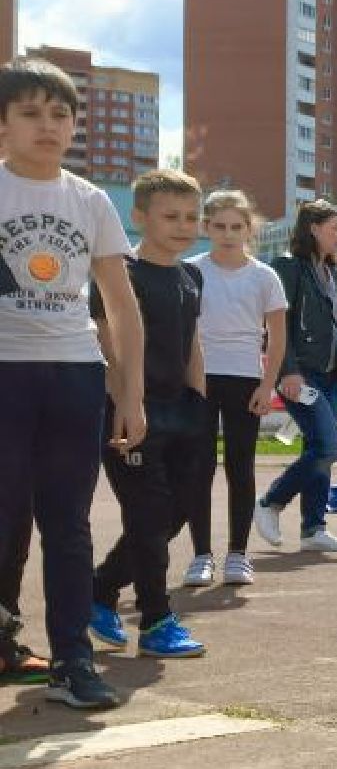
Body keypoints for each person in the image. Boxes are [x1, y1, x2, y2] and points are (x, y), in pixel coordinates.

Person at [0, 57, 147, 709]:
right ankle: (6, 644)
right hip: (5, 371)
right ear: (4, 123)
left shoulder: (89, 200)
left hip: (73, 374)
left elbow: (120, 303)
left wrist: (130, 392)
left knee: (67, 522)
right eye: (30, 112)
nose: (48, 125)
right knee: (4, 517)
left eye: (60, 113)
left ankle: (72, 660)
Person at [87, 168, 212, 659]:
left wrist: (198, 398)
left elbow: (192, 341)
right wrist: (125, 404)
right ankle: (157, 619)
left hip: (182, 411)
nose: (183, 226)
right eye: (170, 216)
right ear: (139, 217)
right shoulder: (120, 273)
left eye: (190, 216)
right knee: (146, 516)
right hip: (129, 413)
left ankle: (99, 589)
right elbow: (107, 342)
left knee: (176, 512)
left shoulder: (191, 275)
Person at [184, 189, 293, 590]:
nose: (228, 234)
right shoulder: (191, 270)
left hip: (246, 380)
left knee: (240, 467)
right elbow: (183, 330)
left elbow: (277, 339)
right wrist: (188, 380)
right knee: (198, 467)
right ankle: (200, 555)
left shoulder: (265, 276)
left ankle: (238, 554)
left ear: (250, 230)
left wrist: (268, 385)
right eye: (219, 226)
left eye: (236, 226)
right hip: (199, 378)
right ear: (206, 228)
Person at [256, 200, 337, 559]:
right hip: (303, 371)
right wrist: (288, 371)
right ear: (313, 228)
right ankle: (270, 501)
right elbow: (276, 324)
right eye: (335, 227)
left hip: (330, 374)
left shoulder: (332, 273)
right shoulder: (289, 267)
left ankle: (314, 527)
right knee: (329, 447)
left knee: (319, 448)